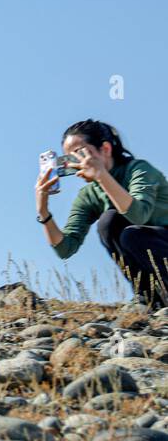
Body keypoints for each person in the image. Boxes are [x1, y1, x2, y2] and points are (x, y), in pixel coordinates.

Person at [36, 119, 168, 308]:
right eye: (69, 158)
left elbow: (139, 215)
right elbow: (65, 248)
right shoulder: (89, 195)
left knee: (129, 231)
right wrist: (43, 210)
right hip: (148, 249)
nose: (75, 163)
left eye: (80, 153)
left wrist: (101, 175)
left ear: (105, 149)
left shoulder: (139, 170)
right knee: (110, 223)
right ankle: (151, 299)